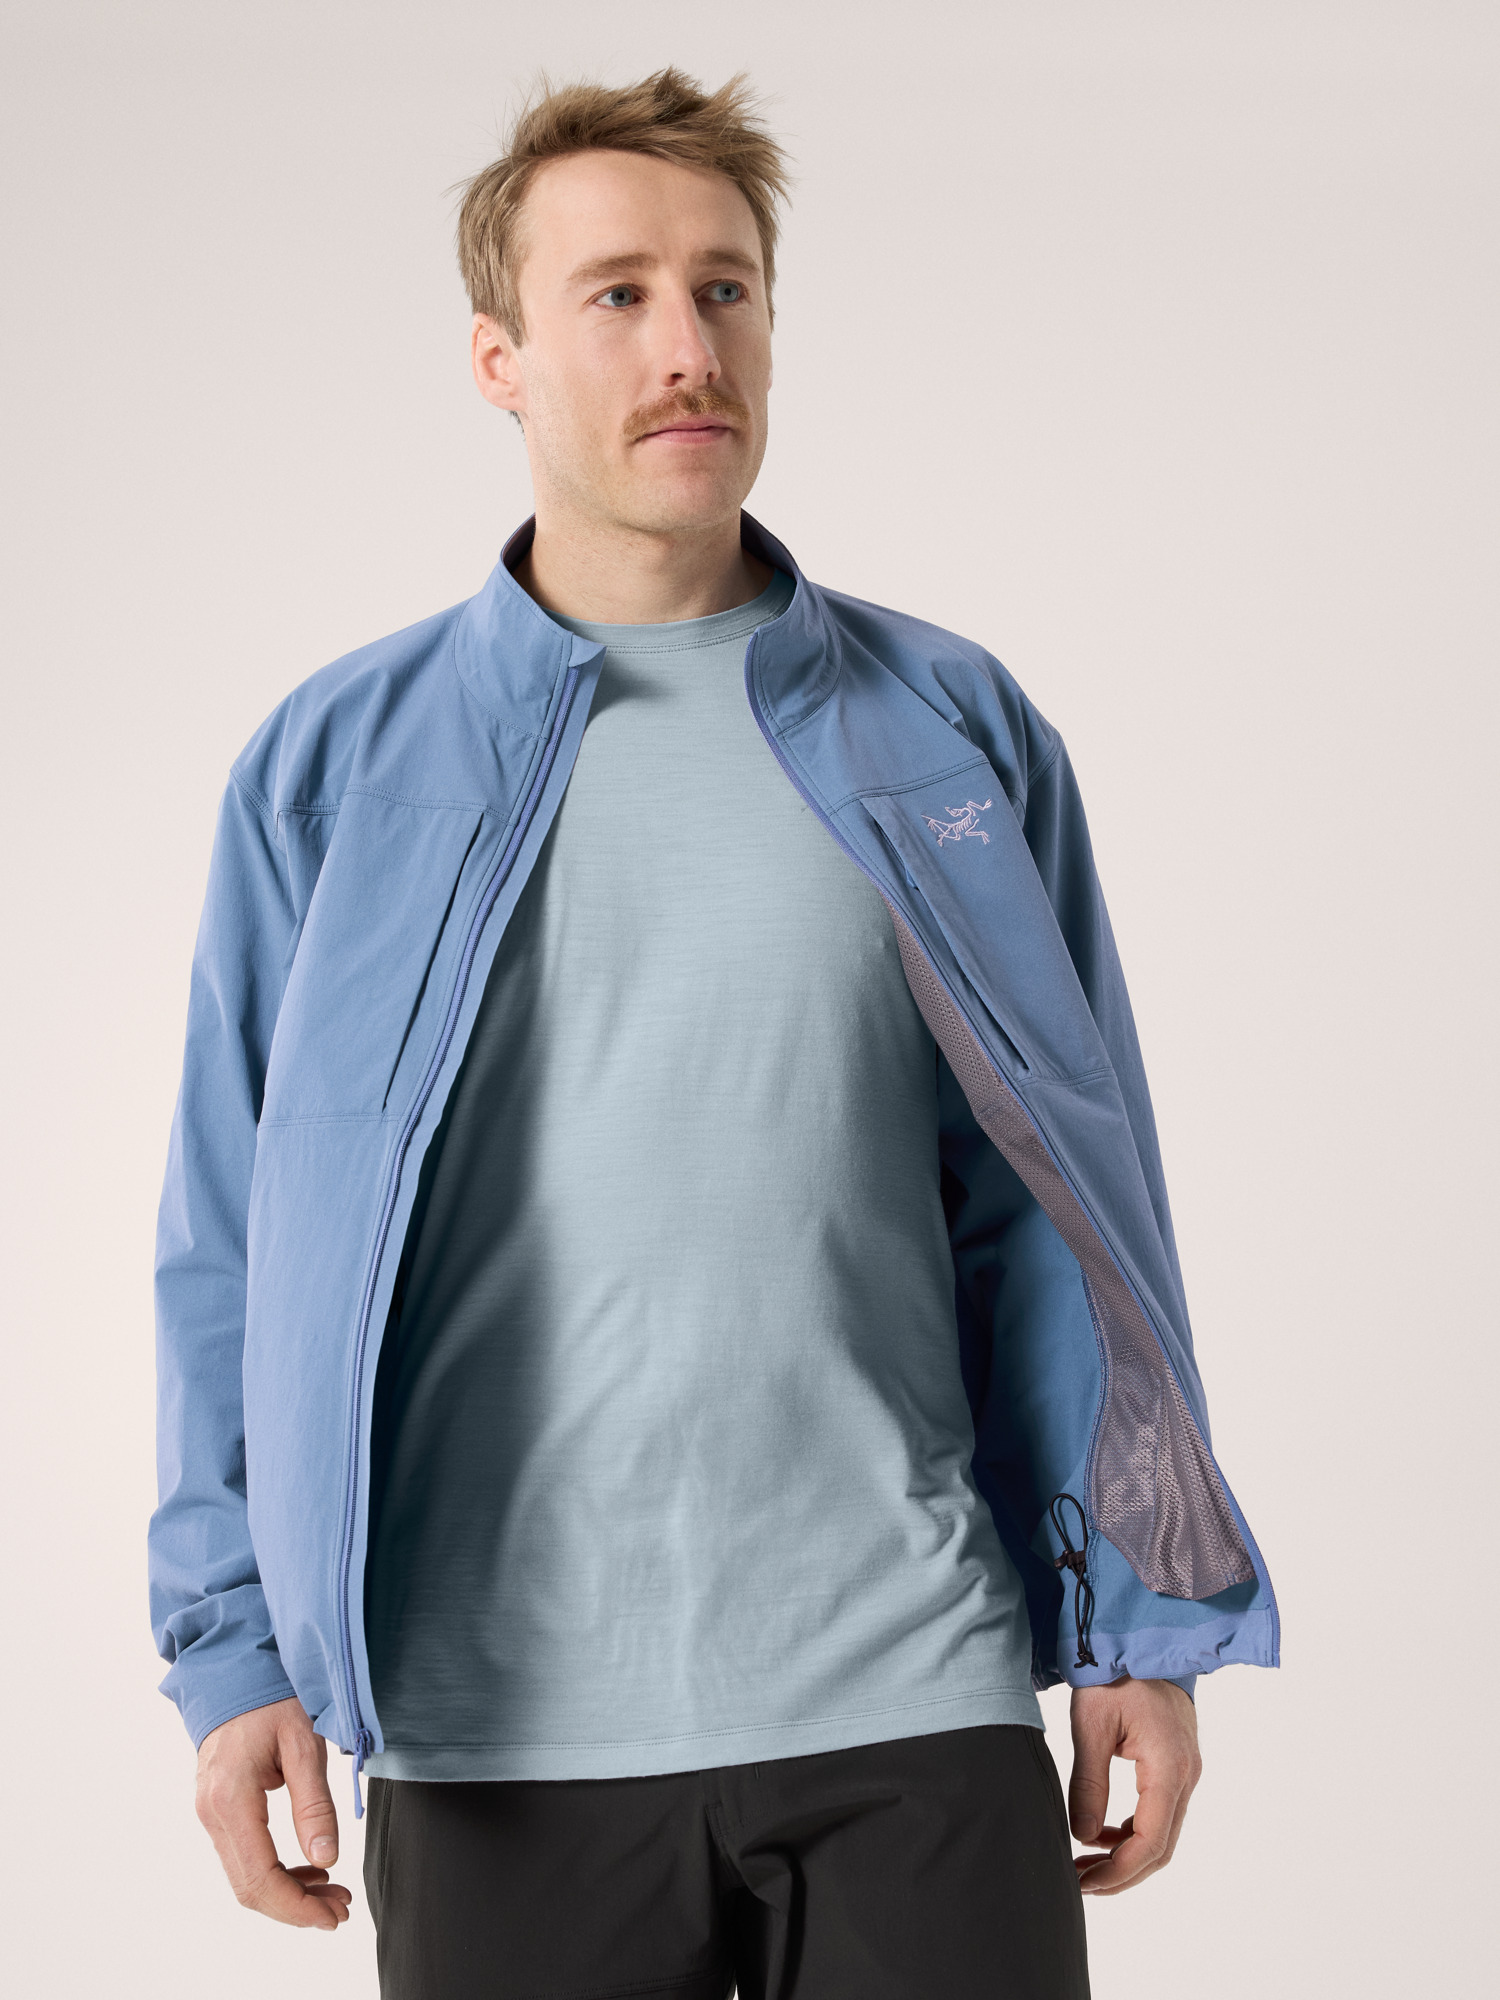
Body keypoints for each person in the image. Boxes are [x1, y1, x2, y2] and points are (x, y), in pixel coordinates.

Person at [150, 66, 1278, 2000]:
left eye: (725, 289)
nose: (687, 347)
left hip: (913, 1699)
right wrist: (230, 1647)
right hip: (495, 1726)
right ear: (499, 359)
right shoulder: (334, 769)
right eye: (617, 295)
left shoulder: (951, 730)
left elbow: (1070, 1210)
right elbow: (229, 1244)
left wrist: (1134, 1620)